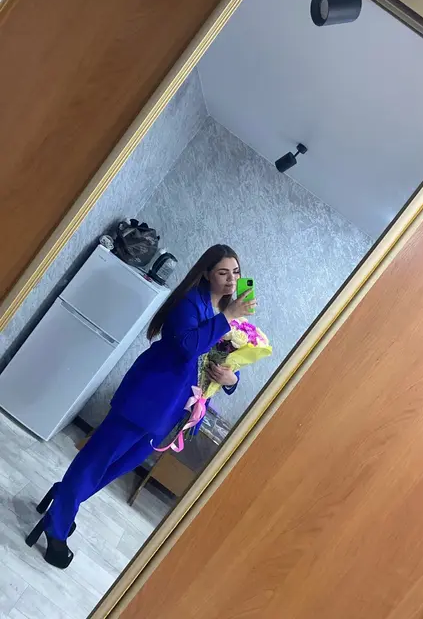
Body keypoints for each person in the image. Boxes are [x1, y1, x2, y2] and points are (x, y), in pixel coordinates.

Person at [25, 244, 256, 569]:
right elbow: (188, 347)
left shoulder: (229, 315)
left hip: (174, 411)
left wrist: (231, 379)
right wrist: (228, 317)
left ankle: (63, 497)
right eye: (223, 272)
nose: (232, 279)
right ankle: (57, 525)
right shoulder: (190, 303)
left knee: (119, 466)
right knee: (96, 460)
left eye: (236, 272)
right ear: (207, 274)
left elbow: (227, 358)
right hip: (149, 396)